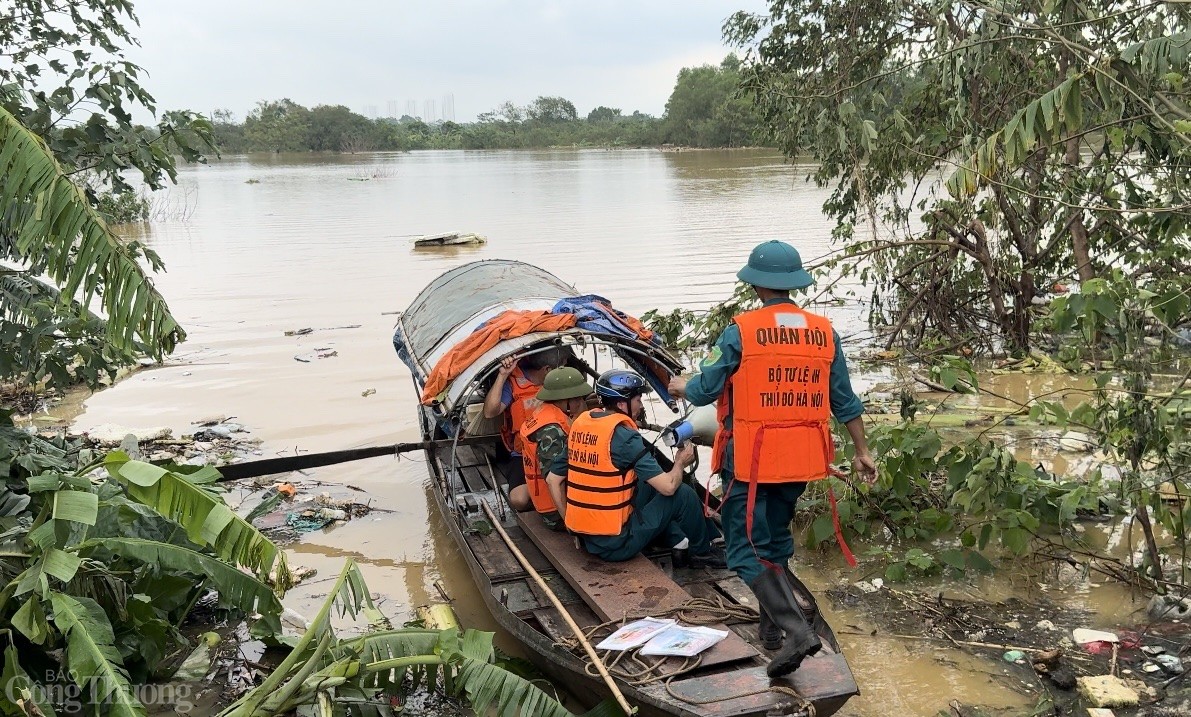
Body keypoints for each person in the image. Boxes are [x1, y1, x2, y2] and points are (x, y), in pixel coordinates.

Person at [669, 240, 878, 678]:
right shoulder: (824, 332)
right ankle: (770, 632)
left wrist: (680, 386)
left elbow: (704, 391)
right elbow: (845, 400)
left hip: (750, 462)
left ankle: (796, 631)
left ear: (756, 285)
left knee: (744, 549)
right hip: (800, 461)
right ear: (793, 285)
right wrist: (862, 451)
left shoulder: (741, 331)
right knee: (775, 540)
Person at [545, 369, 725, 566]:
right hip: (618, 544)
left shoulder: (581, 425)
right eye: (638, 400)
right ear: (622, 404)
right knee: (683, 493)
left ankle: (681, 540)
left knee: (646, 484)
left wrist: (571, 527)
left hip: (588, 539)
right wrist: (681, 462)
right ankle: (702, 552)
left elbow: (552, 479)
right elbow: (669, 487)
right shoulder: (625, 438)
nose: (641, 406)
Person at [483, 345, 573, 511]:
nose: (565, 370)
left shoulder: (562, 383)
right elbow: (490, 412)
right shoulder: (514, 384)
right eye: (563, 366)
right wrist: (503, 375)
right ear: (547, 369)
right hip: (524, 453)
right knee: (519, 500)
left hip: (558, 449)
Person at [518, 367, 592, 528]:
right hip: (554, 512)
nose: (581, 402)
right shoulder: (552, 432)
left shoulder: (543, 412)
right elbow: (554, 481)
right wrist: (568, 521)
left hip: (547, 501)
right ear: (564, 400)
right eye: (577, 398)